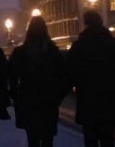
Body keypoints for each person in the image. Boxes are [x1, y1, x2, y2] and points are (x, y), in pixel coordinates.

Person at [67, 11, 115, 147]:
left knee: (90, 139)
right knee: (108, 139)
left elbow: (70, 72)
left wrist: (76, 88)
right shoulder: (113, 44)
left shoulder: (79, 45)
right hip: (110, 100)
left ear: (86, 23)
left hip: (88, 100)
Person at [8, 16, 68, 147]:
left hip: (28, 100)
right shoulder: (53, 52)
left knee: (32, 138)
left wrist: (16, 98)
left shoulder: (20, 52)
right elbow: (65, 78)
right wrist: (57, 97)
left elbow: (11, 77)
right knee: (47, 139)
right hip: (48, 102)